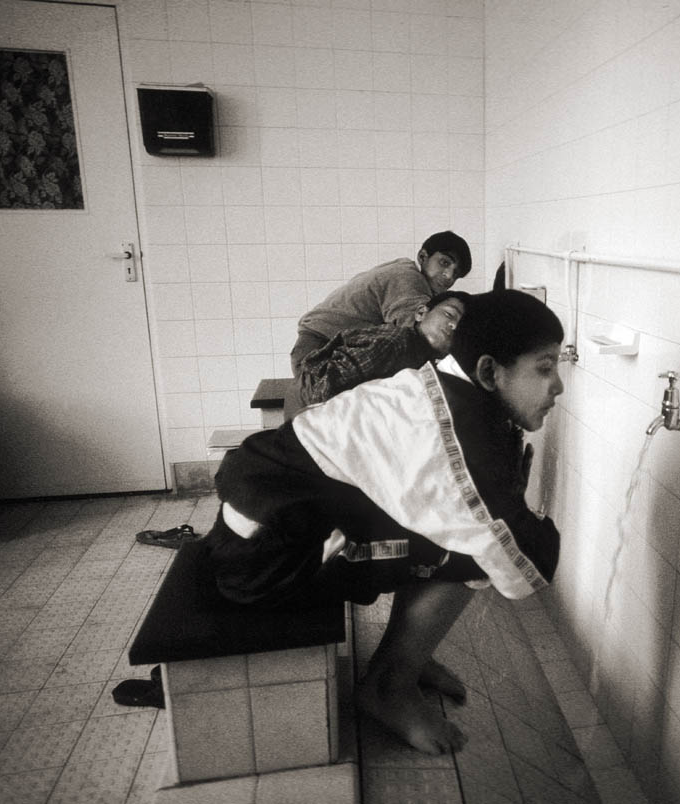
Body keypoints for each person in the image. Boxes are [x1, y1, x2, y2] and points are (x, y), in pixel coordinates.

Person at [204, 289, 565, 755]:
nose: (558, 386)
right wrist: (525, 519)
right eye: (545, 367)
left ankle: (410, 655)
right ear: (489, 371)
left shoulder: (441, 386)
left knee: (449, 527)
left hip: (265, 523)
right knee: (470, 553)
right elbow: (520, 566)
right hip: (266, 562)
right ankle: (389, 686)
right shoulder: (459, 425)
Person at [290, 230, 472, 376]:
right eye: (444, 262)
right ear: (423, 257)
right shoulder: (408, 279)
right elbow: (419, 335)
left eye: (456, 273)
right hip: (319, 352)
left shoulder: (402, 270)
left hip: (318, 348)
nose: (448, 276)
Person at [296, 290, 470, 407]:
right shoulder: (396, 343)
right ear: (421, 313)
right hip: (307, 405)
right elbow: (323, 392)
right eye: (449, 314)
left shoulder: (422, 358)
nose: (454, 325)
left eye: (462, 325)